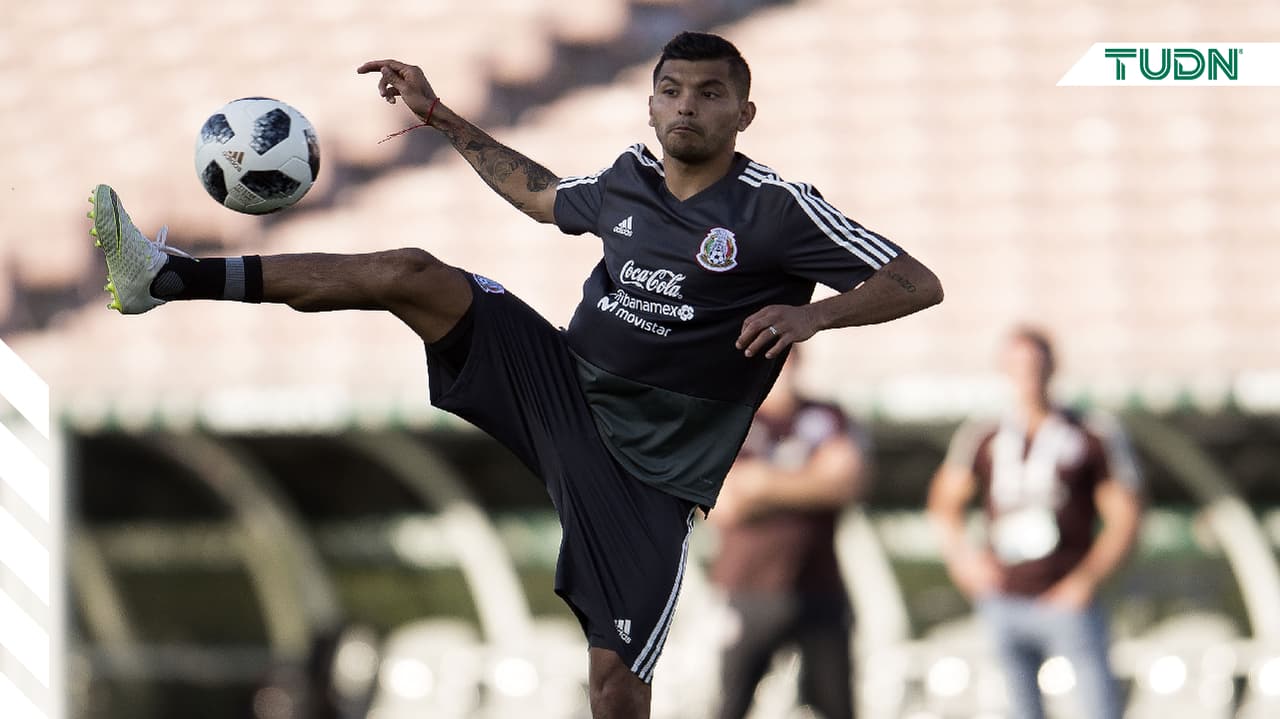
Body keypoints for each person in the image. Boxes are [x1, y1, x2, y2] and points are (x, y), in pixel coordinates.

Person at [88, 32, 942, 718]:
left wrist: (814, 313)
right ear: (650, 102)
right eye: (673, 89)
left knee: (615, 687)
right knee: (412, 271)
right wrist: (441, 117)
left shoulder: (777, 207)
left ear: (745, 112)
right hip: (562, 384)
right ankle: (167, 276)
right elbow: (539, 193)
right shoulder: (627, 178)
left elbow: (916, 279)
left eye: (710, 92)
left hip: (647, 476)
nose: (688, 105)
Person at [926, 327, 1143, 719]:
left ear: (1052, 367)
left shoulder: (1089, 432)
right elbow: (944, 503)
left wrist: (1086, 580)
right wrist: (965, 562)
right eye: (1018, 366)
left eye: (1035, 365)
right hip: (1005, 596)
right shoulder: (986, 434)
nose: (1028, 376)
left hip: (1066, 594)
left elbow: (1125, 516)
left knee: (1097, 706)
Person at [710, 350, 867, 719]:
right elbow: (724, 502)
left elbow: (848, 482)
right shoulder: (732, 417)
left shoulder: (828, 416)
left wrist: (764, 484)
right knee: (731, 704)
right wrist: (811, 479)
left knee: (838, 705)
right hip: (749, 589)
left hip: (819, 587)